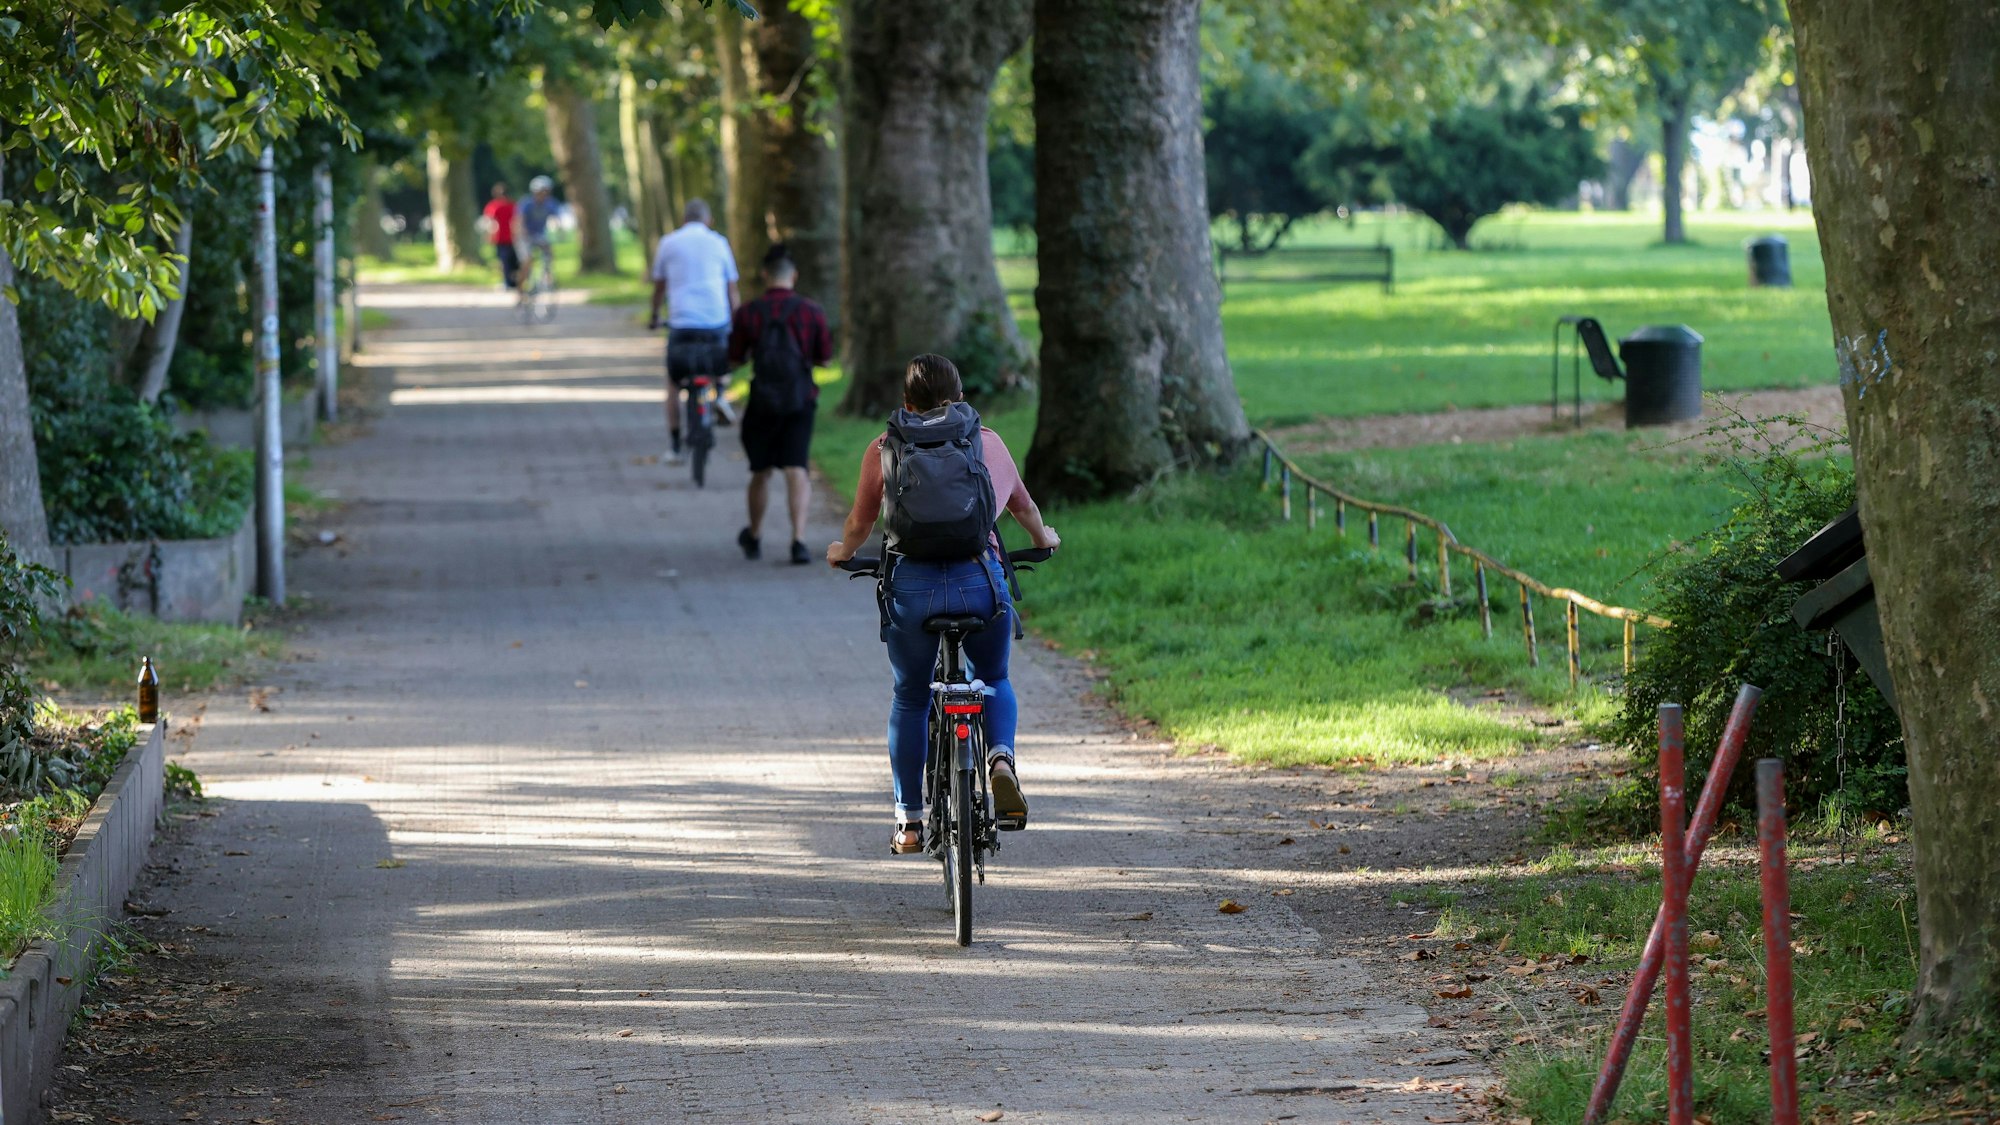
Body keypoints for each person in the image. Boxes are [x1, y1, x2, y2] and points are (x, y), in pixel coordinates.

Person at [826, 354, 1060, 855]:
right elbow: (1025, 509)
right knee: (993, 677)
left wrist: (841, 552)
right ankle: (999, 761)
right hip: (980, 581)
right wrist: (1045, 537)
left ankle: (909, 822)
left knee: (911, 695)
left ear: (906, 402)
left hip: (912, 587)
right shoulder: (988, 442)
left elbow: (860, 523)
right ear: (959, 396)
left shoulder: (884, 447)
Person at [727, 245, 833, 565]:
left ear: (764, 275)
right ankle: (798, 540)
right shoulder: (811, 311)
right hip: (800, 401)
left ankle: (755, 534)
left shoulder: (748, 312)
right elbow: (825, 359)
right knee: (796, 470)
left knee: (760, 472)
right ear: (794, 276)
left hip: (761, 401)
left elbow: (735, 357)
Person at [648, 199, 739, 466]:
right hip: (715, 323)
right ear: (708, 220)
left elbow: (659, 287)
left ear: (683, 219)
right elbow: (731, 289)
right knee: (724, 355)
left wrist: (655, 315)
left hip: (681, 325)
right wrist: (737, 322)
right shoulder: (720, 242)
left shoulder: (668, 242)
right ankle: (720, 393)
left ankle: (675, 446)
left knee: (673, 384)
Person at [514, 176, 563, 295]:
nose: (544, 195)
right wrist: (522, 231)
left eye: (546, 191)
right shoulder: (527, 203)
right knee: (527, 261)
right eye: (541, 192)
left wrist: (559, 232)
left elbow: (556, 220)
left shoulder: (551, 204)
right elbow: (520, 220)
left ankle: (547, 276)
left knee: (549, 251)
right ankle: (520, 291)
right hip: (524, 236)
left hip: (539, 234)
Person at [481, 183, 518, 289]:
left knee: (504, 261)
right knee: (513, 261)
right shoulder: (513, 205)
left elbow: (490, 223)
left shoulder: (493, 206)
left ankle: (507, 282)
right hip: (513, 237)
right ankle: (514, 282)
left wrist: (488, 235)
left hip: (500, 238)